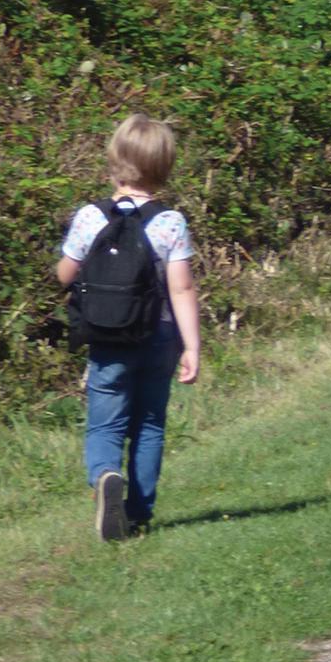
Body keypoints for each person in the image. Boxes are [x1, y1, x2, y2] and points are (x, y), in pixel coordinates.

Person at [57, 115, 201, 542]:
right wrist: (191, 346)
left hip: (107, 336)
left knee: (105, 425)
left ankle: (104, 475)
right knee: (150, 423)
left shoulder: (89, 217)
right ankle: (137, 514)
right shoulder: (171, 222)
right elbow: (183, 289)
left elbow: (66, 274)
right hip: (158, 339)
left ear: (114, 160)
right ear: (165, 167)